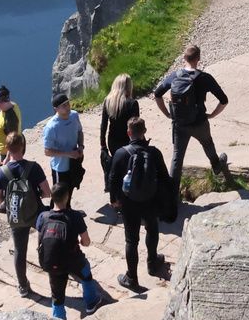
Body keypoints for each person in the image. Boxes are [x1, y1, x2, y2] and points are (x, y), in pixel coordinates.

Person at [153, 45, 232, 192]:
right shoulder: (205, 78)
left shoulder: (174, 76)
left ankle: (172, 193)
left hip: (179, 125)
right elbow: (224, 100)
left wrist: (167, 114)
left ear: (184, 58)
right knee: (207, 143)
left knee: (177, 156)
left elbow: (157, 95)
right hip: (200, 122)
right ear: (199, 59)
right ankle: (216, 166)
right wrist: (213, 114)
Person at [107, 116, 172, 292]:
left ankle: (132, 278)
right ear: (144, 132)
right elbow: (165, 178)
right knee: (152, 229)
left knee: (131, 240)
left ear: (128, 133)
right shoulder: (154, 152)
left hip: (129, 203)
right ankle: (152, 263)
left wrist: (115, 199)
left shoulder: (121, 153)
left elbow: (112, 179)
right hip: (150, 200)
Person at [0, 130, 52, 300]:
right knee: (47, 235)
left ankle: (23, 286)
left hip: (16, 216)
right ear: (23, 146)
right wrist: (35, 195)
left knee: (20, 250)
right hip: (36, 213)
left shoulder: (1, 172)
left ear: (7, 148)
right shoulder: (34, 167)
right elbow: (48, 193)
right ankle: (52, 264)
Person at [34, 183, 102, 319]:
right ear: (67, 197)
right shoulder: (75, 216)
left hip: (51, 262)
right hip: (72, 261)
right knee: (86, 274)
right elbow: (86, 242)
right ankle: (90, 304)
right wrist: (81, 242)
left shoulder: (43, 216)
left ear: (51, 197)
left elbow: (39, 242)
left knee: (57, 295)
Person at [98, 74, 140, 175]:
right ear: (127, 86)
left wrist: (103, 144)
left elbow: (103, 125)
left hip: (112, 140)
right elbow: (135, 126)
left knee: (117, 166)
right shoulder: (132, 103)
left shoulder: (108, 101)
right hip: (128, 140)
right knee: (129, 168)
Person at [42, 93, 85, 191]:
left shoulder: (74, 115)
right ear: (56, 109)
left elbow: (79, 131)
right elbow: (47, 151)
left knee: (71, 188)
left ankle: (68, 206)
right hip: (60, 167)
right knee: (58, 195)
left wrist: (81, 146)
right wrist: (68, 153)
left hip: (74, 162)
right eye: (64, 105)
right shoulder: (51, 127)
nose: (67, 107)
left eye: (68, 104)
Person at [0, 85, 22, 160]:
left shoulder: (10, 120)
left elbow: (12, 140)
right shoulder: (13, 105)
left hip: (9, 153)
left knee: (5, 172)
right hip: (7, 151)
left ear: (2, 102)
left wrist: (8, 158)